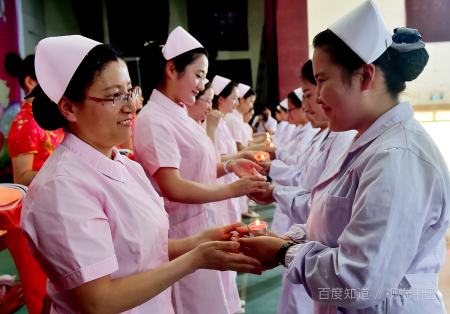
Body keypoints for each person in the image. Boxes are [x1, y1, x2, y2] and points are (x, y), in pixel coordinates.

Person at [20, 35, 263, 314]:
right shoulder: (61, 187)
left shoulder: (125, 165)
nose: (131, 106)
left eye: (130, 92)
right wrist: (195, 258)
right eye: (114, 96)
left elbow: (142, 250)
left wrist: (201, 240)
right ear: (69, 107)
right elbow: (99, 301)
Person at [236, 1, 449, 313]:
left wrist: (285, 252)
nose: (318, 97)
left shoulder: (397, 157)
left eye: (322, 81)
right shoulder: (366, 143)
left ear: (364, 77)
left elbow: (358, 279)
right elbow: (331, 220)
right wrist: (286, 240)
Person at [133, 27, 268, 314]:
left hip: (205, 222)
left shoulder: (180, 113)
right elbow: (173, 185)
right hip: (182, 233)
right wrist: (232, 189)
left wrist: (230, 165)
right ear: (171, 69)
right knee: (198, 304)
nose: (202, 83)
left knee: (218, 299)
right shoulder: (153, 119)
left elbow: (201, 168)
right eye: (198, 75)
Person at [4, 53, 64, 185]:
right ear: (31, 82)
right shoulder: (25, 122)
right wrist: (68, 170)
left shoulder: (55, 114)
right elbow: (21, 179)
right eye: (51, 78)